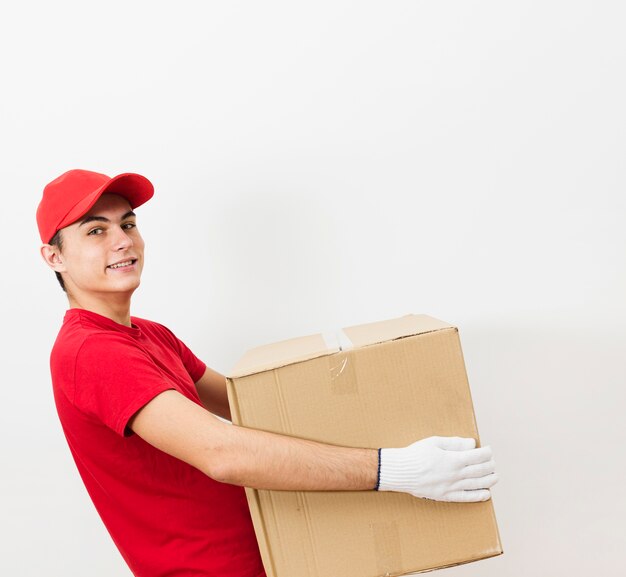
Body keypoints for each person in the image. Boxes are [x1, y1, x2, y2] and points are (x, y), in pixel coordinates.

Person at [37, 169, 499, 577]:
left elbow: (251, 402)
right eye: (95, 231)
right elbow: (222, 452)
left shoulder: (150, 334)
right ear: (54, 257)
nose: (122, 240)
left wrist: (381, 388)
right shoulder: (91, 352)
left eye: (128, 224)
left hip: (276, 556)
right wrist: (396, 468)